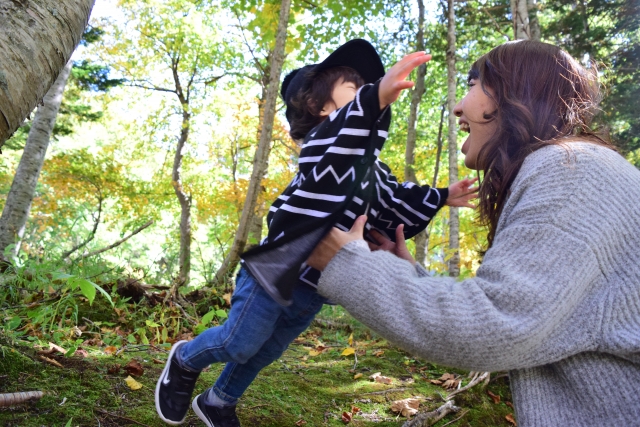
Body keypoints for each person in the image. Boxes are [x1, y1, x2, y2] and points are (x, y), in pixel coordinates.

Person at [307, 39, 640, 427]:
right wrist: (409, 275)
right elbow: (539, 318)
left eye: (472, 85)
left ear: (515, 93)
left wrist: (347, 265)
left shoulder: (572, 169)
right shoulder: (580, 168)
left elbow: (496, 327)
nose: (458, 107)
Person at [155, 39, 477, 427]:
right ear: (320, 107)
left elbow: (393, 198)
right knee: (239, 342)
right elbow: (346, 134)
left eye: (365, 89)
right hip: (278, 268)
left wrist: (442, 196)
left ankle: (219, 401)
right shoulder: (320, 146)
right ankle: (185, 358)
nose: (365, 95)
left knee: (268, 349)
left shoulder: (372, 168)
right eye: (354, 89)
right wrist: (375, 97)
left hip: (320, 280)